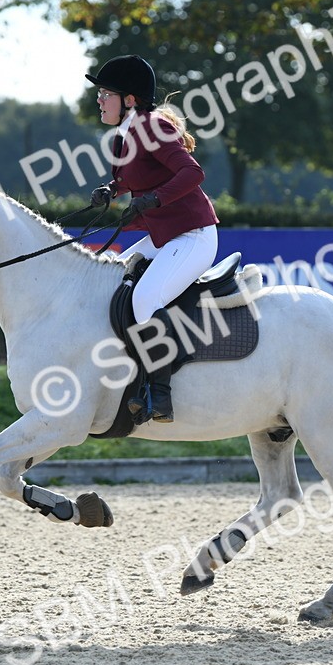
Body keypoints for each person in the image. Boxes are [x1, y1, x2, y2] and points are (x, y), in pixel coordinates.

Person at [86, 55, 220, 424]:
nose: (98, 100)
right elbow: (136, 176)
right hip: (164, 236)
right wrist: (112, 189)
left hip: (192, 235)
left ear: (129, 99)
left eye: (105, 94)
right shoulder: (127, 133)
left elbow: (192, 172)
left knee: (146, 298)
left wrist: (154, 199)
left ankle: (160, 395)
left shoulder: (152, 127)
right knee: (113, 275)